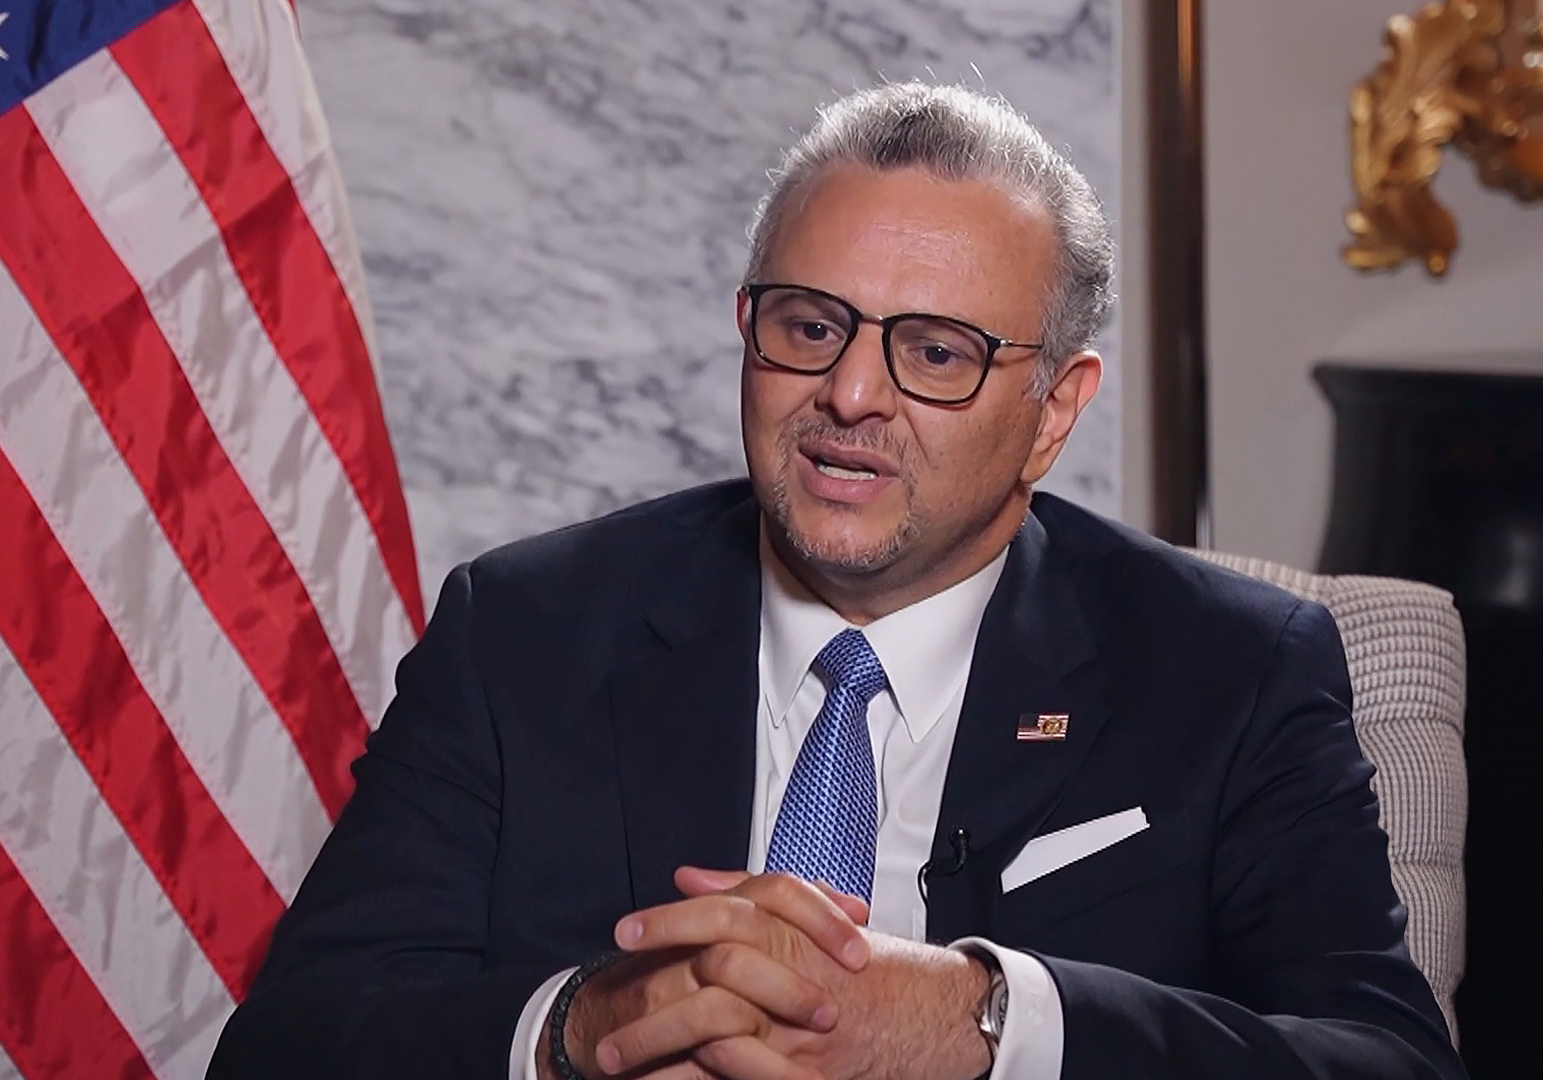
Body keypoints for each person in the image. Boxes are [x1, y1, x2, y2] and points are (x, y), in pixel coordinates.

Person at [207, 82, 1464, 1080]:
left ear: (1052, 413)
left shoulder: (1232, 669)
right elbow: (286, 1049)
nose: (851, 395)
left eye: (937, 353)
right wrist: (575, 1031)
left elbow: (1385, 1059)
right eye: (811, 326)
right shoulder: (526, 630)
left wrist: (986, 1025)